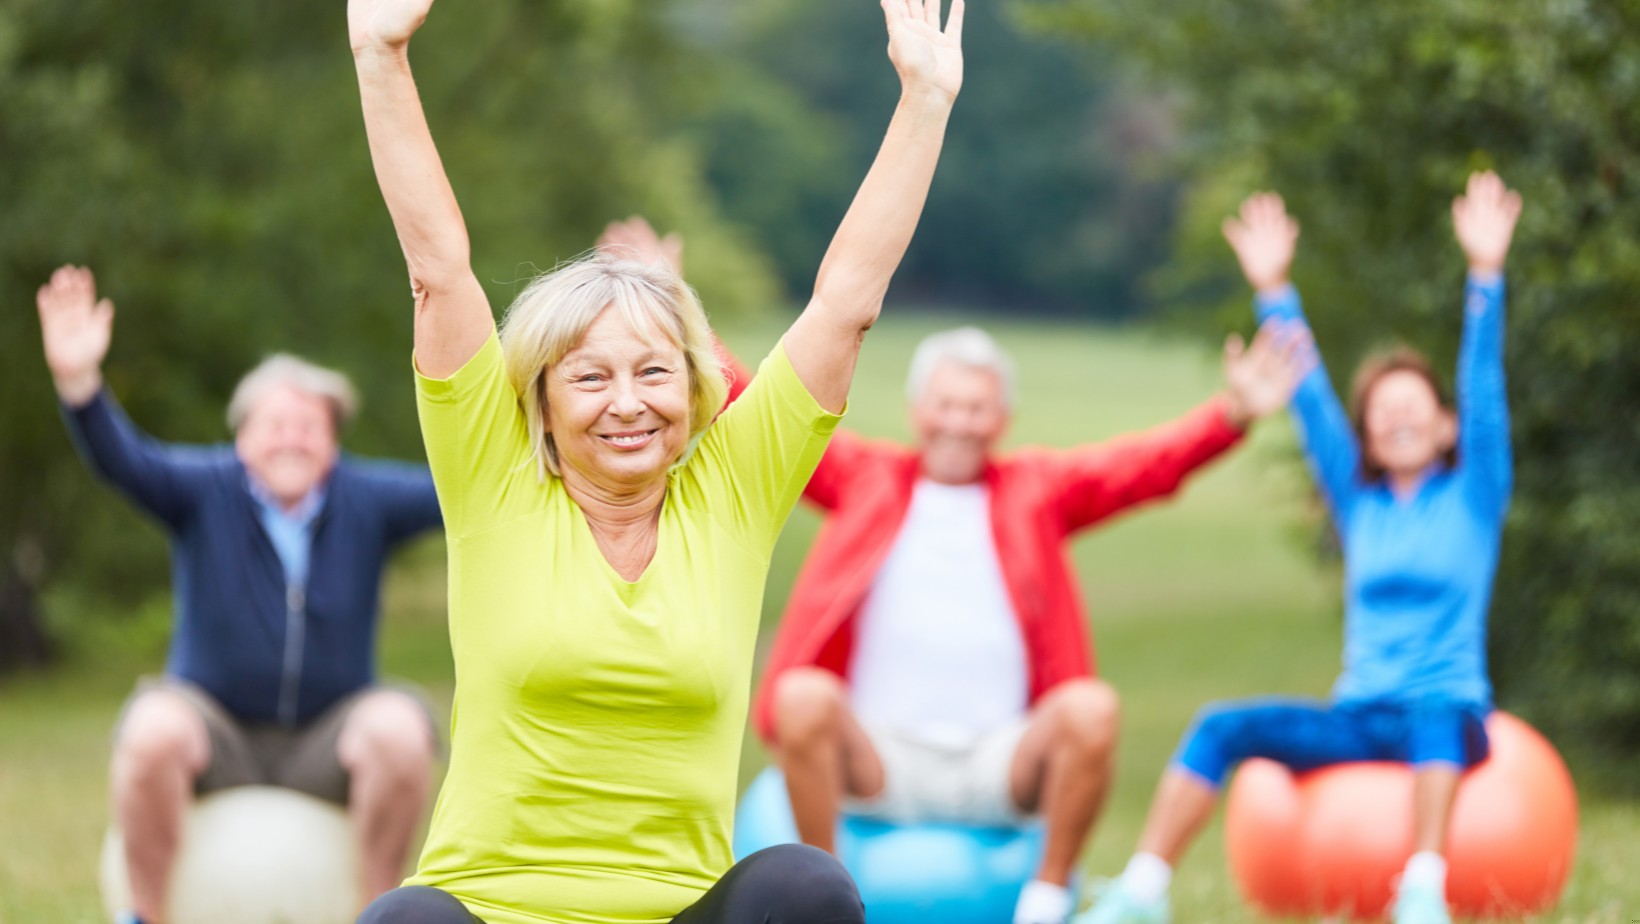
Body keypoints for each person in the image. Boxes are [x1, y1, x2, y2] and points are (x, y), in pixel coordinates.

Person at [346, 0, 964, 920]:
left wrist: (924, 101)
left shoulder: (734, 494)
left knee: (808, 885)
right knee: (405, 919)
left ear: (696, 385)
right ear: (543, 401)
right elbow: (439, 268)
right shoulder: (495, 482)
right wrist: (379, 53)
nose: (628, 402)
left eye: (652, 372)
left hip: (677, 910)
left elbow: (845, 304)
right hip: (495, 908)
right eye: (590, 376)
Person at [603, 214, 1313, 924]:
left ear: (1001, 417)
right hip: (877, 756)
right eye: (946, 405)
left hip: (996, 762)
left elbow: (1140, 469)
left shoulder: (1036, 490)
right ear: (919, 410)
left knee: (1092, 709)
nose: (959, 422)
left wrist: (1231, 416)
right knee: (800, 697)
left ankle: (1045, 899)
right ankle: (830, 894)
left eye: (977, 408)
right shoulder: (865, 478)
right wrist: (669, 298)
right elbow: (754, 404)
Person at [1081, 172, 1521, 924]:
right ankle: (1142, 891)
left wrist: (1485, 275)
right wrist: (1273, 289)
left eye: (1414, 408)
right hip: (1360, 716)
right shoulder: (1359, 503)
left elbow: (1482, 387)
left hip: (1448, 719)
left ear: (1446, 427)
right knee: (1221, 724)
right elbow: (1312, 401)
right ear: (1370, 436)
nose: (1398, 420)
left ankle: (1421, 891)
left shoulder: (1476, 494)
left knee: (1436, 710)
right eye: (1383, 414)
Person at [34, 265, 445, 924]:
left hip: (328, 731)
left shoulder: (365, 498)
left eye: (309, 426)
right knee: (151, 731)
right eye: (274, 424)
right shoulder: (204, 488)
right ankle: (145, 917)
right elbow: (122, 460)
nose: (291, 438)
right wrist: (79, 385)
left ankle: (377, 914)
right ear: (242, 435)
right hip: (213, 725)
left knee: (401, 729)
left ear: (334, 443)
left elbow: (465, 487)